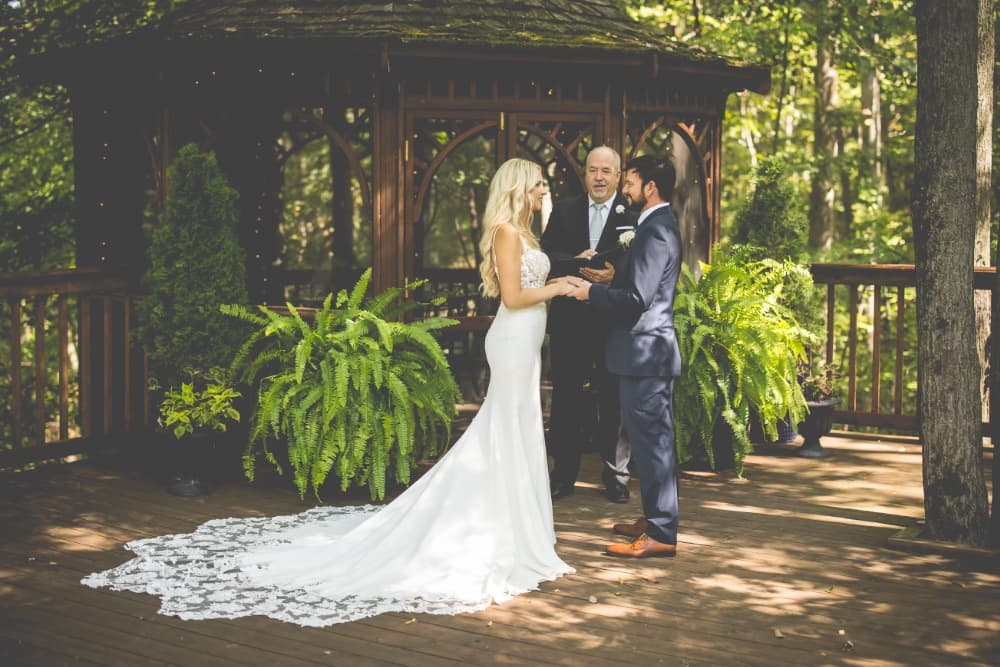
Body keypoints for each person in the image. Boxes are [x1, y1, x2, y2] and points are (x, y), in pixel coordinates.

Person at [82, 158, 582, 624]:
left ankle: (515, 523)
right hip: (514, 340)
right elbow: (515, 297)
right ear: (520, 186)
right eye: (538, 183)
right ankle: (496, 523)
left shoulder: (524, 232)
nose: (543, 190)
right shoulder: (506, 233)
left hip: (527, 343)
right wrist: (558, 286)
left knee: (517, 428)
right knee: (505, 428)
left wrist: (560, 274)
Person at [566, 155, 681, 558]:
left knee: (653, 446)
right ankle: (654, 518)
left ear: (650, 187)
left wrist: (590, 293)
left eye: (629, 182)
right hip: (642, 355)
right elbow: (640, 282)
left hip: (645, 354)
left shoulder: (655, 232)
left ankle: (662, 533)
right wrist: (614, 275)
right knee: (650, 441)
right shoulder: (653, 227)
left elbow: (637, 300)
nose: (624, 189)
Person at [541, 146, 638, 503]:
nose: (599, 177)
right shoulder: (564, 210)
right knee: (566, 396)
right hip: (570, 320)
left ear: (618, 175)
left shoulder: (633, 215)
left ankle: (616, 477)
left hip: (612, 319)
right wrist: (573, 260)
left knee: (614, 397)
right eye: (592, 170)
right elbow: (545, 256)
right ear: (585, 174)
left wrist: (615, 276)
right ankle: (563, 474)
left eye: (606, 171)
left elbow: (643, 264)